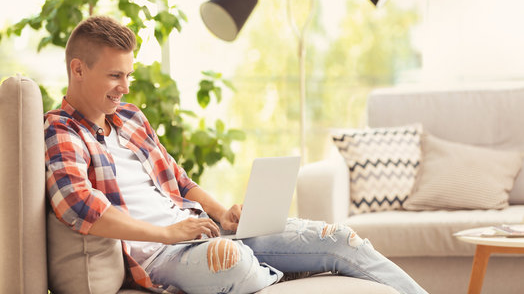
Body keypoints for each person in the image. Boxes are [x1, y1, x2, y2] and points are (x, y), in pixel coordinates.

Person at [45, 16, 427, 294]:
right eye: (115, 76)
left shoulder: (129, 117)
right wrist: (168, 233)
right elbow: (79, 206)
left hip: (201, 228)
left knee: (342, 239)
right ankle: (294, 270)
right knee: (232, 261)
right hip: (160, 255)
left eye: (128, 75)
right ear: (78, 70)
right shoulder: (61, 130)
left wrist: (221, 212)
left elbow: (179, 180)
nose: (125, 87)